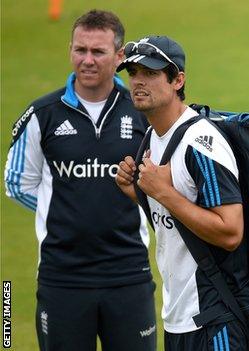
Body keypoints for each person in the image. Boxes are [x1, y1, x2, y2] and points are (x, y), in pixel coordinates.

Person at [4, 10, 156, 351]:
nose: (87, 60)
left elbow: (164, 182)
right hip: (63, 278)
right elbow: (17, 183)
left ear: (119, 57)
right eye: (79, 49)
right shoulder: (42, 115)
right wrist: (63, 205)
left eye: (98, 52)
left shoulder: (142, 113)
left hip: (128, 274)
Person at [114, 35, 249, 350]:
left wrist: (161, 192)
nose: (138, 82)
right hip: (178, 317)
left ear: (178, 80)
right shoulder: (152, 137)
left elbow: (230, 231)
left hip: (215, 317)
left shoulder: (201, 142)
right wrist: (138, 193)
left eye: (150, 73)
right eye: (133, 73)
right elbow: (175, 219)